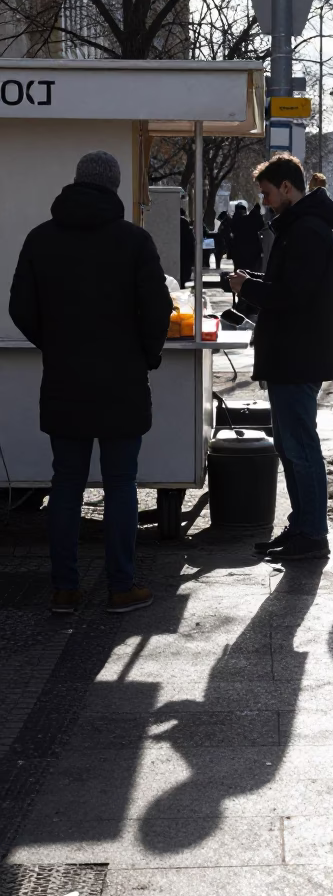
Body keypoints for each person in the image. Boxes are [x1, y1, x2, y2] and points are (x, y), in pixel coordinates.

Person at [9, 151, 171, 613]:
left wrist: (53, 343)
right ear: (115, 187)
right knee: (121, 484)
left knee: (66, 483)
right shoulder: (134, 241)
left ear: (76, 182)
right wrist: (147, 355)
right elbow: (157, 308)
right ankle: (121, 587)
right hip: (122, 381)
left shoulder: (41, 238)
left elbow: (20, 307)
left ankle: (65, 589)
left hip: (65, 380)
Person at [229, 153, 333, 561]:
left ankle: (312, 534)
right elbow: (289, 284)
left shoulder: (306, 230)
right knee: (292, 447)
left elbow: (293, 295)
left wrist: (248, 288)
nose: (265, 201)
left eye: (268, 193)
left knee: (300, 447)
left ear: (287, 188)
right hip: (292, 352)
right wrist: (253, 281)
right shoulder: (299, 226)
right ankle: (302, 527)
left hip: (297, 354)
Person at [228, 200, 265, 273]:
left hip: (239, 249)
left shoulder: (237, 220)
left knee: (239, 268)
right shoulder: (252, 220)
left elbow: (232, 230)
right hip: (251, 249)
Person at [179, 209, 195, 285]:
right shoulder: (185, 223)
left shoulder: (178, 222)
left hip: (181, 251)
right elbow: (192, 243)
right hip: (186, 253)